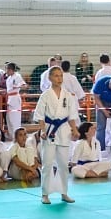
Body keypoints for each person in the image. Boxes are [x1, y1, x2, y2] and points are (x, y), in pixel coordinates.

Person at [33, 66, 80, 204]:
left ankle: (64, 192)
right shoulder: (45, 96)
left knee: (63, 165)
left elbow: (71, 116)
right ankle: (45, 194)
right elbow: (40, 116)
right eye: (56, 76)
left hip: (64, 131)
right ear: (50, 78)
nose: (59, 78)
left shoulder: (68, 95)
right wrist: (42, 130)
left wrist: (74, 130)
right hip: (49, 131)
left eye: (61, 76)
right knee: (47, 164)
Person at [3, 62, 27, 137]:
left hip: (15, 99)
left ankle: (18, 136)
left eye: (6, 69)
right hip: (9, 99)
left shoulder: (17, 76)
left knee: (15, 119)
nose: (5, 71)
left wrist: (17, 86)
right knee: (9, 119)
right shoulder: (8, 78)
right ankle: (12, 135)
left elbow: (25, 86)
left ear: (10, 70)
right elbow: (9, 89)